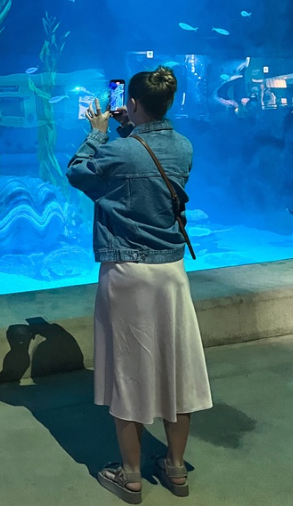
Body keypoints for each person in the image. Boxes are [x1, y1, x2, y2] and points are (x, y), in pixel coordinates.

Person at [66, 66, 213, 504]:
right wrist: (130, 126)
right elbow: (148, 161)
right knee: (176, 369)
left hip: (127, 274)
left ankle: (130, 475)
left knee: (127, 372)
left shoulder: (118, 150)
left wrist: (98, 132)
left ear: (131, 103)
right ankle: (175, 468)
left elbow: (77, 172)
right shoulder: (183, 147)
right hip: (171, 275)